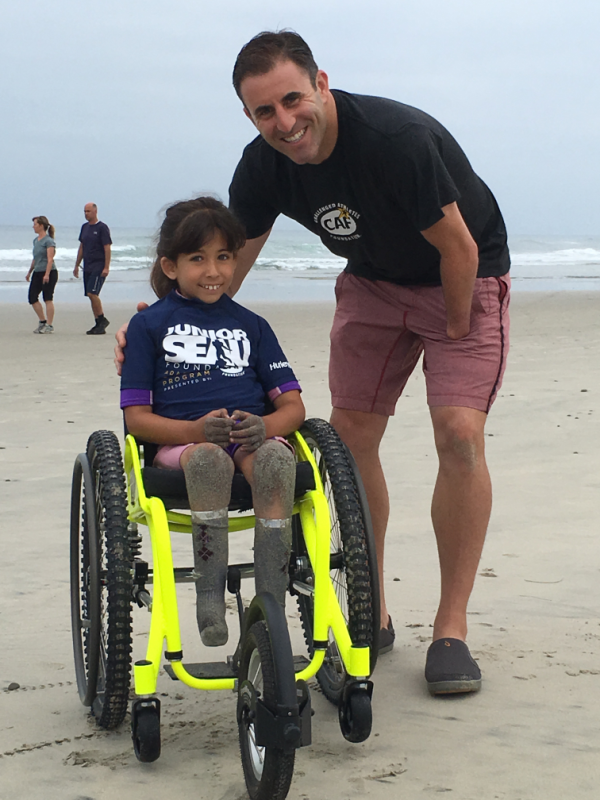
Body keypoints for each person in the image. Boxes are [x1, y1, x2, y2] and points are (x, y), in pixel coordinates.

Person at [116, 31, 510, 695]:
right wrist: (158, 329)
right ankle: (371, 609)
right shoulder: (264, 165)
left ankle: (450, 628)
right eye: (264, 112)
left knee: (460, 436)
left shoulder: (395, 140)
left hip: (460, 278)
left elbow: (460, 249)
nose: (284, 122)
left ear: (321, 83)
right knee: (352, 438)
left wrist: (453, 332)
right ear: (249, 116)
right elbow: (220, 269)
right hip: (371, 284)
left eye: (293, 99)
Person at [120, 197, 305, 646]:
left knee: (277, 464)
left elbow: (295, 408)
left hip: (251, 436)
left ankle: (271, 604)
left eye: (224, 257)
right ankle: (208, 599)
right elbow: (136, 420)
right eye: (198, 259)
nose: (213, 271)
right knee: (207, 461)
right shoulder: (149, 327)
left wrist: (270, 427)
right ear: (170, 265)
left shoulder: (253, 326)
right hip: (184, 443)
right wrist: (195, 431)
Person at [73, 202, 112, 334]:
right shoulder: (84, 227)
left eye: (88, 211)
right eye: (84, 211)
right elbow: (82, 247)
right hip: (87, 266)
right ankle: (98, 323)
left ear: (95, 211)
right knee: (90, 295)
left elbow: (107, 248)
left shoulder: (102, 228)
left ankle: (102, 319)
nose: (86, 214)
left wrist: (106, 267)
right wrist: (77, 264)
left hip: (98, 265)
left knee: (92, 293)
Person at [26, 216, 58, 334]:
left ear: (41, 226)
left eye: (35, 224)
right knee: (32, 297)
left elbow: (50, 259)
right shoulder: (36, 240)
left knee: (47, 298)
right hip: (37, 272)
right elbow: (35, 258)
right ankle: (42, 321)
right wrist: (29, 272)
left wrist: (47, 274)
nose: (33, 226)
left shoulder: (49, 241)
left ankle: (49, 325)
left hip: (49, 272)